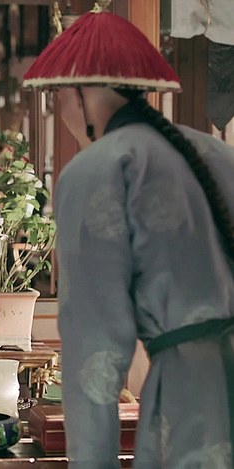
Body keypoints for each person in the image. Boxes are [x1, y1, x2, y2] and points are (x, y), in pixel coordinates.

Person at [23, 9, 234, 469]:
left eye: (57, 97)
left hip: (191, 398)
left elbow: (96, 344)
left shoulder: (96, 169)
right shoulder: (218, 153)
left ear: (76, 92)